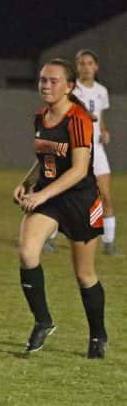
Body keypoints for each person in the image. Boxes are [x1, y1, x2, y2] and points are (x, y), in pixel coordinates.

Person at [13, 58, 107, 359]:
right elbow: (44, 159)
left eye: (54, 81)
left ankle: (97, 335)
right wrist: (27, 183)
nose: (46, 85)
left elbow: (79, 170)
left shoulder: (78, 119)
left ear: (69, 86)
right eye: (43, 80)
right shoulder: (40, 117)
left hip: (80, 200)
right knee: (27, 252)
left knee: (84, 274)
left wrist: (41, 196)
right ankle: (43, 320)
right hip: (50, 196)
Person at [74, 49, 117, 255]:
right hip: (77, 148)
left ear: (96, 67)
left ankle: (109, 243)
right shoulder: (71, 90)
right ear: (77, 67)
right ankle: (49, 237)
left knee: (106, 196)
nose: (86, 67)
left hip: (97, 151)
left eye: (89, 63)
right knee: (64, 196)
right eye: (82, 63)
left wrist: (104, 130)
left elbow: (100, 118)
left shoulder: (101, 91)